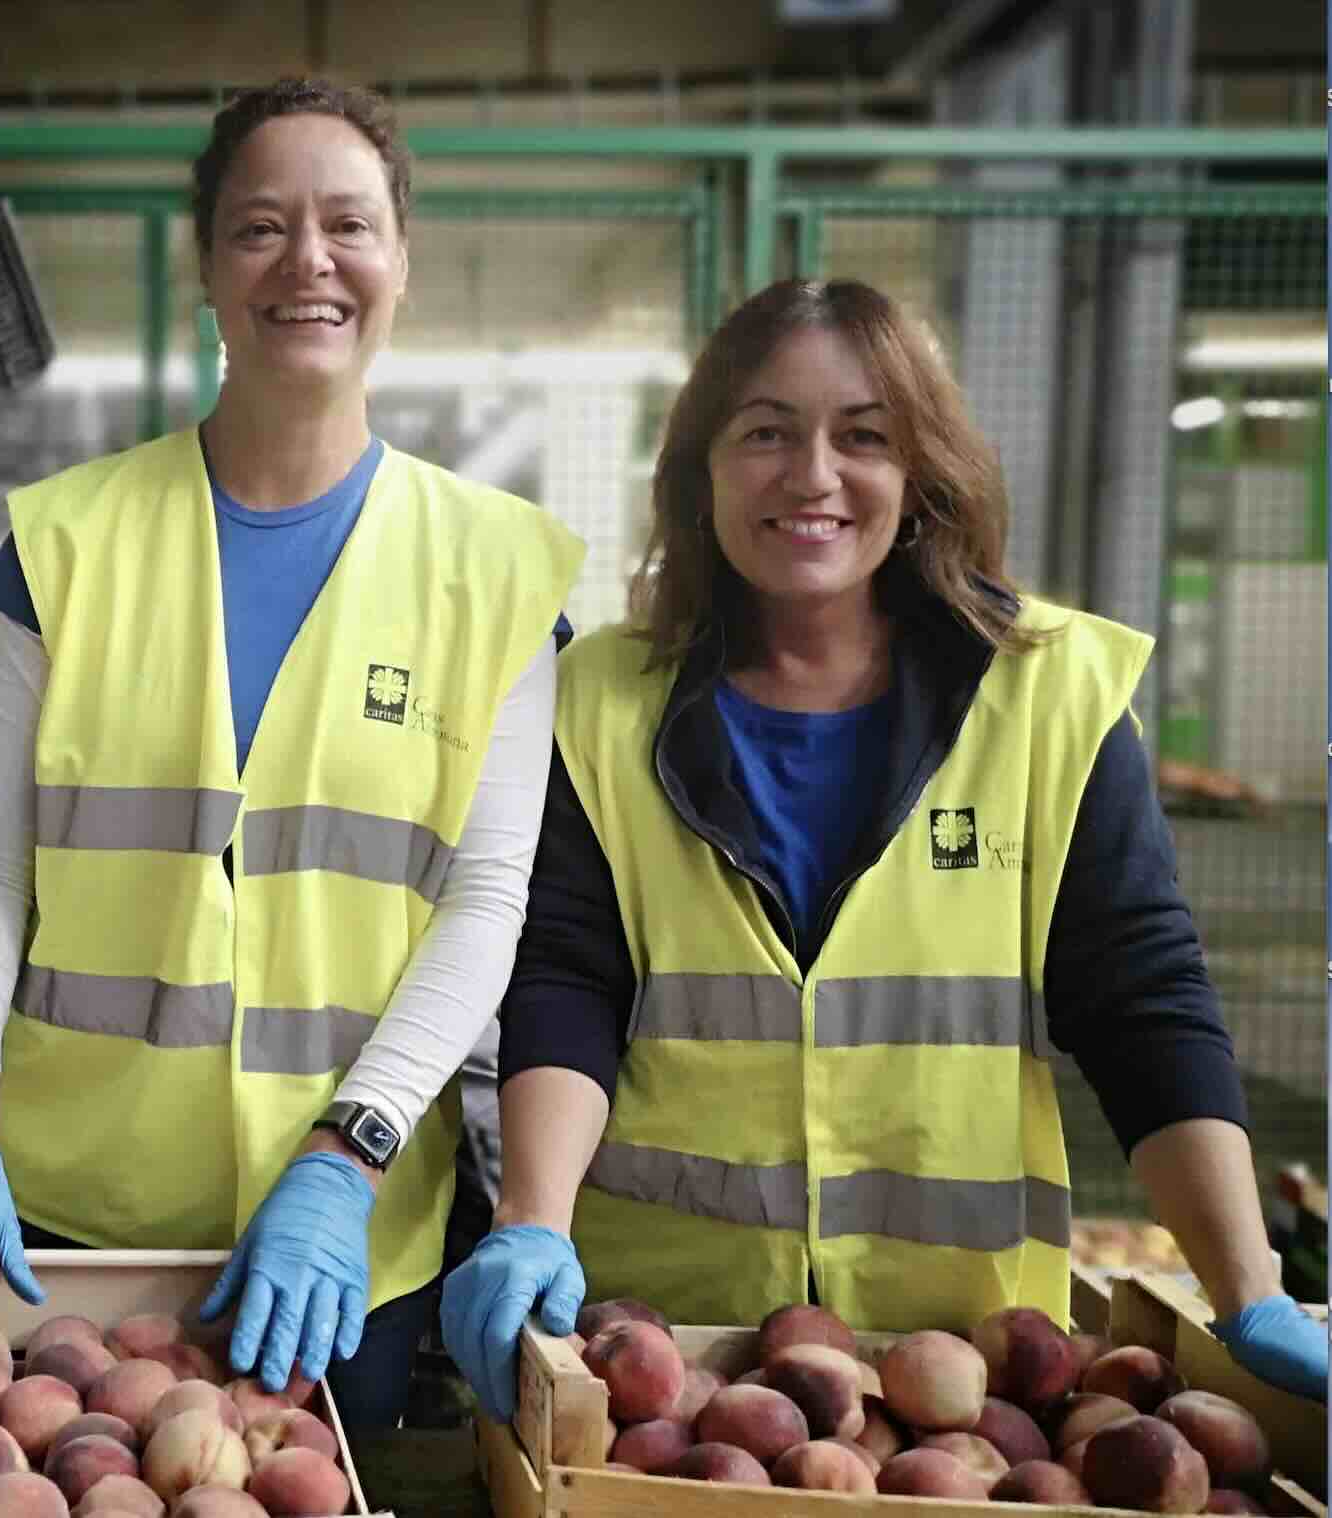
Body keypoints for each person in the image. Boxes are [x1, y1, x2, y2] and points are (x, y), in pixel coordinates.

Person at [439, 277, 1329, 1420]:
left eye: (861, 437)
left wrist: (1247, 1288)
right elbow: (569, 977)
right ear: (698, 472)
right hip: (667, 1365)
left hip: (967, 1373)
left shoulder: (1048, 699)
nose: (811, 475)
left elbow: (1138, 998)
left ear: (918, 473)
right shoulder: (597, 702)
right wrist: (535, 1222)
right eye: (764, 433)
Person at [0, 77, 584, 1432]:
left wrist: (356, 1143)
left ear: (401, 263)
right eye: (261, 226)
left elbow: (488, 893)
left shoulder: (499, 572)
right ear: (207, 264)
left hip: (343, 1241)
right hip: (64, 1228)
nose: (308, 260)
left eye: (349, 225)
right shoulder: (63, 546)